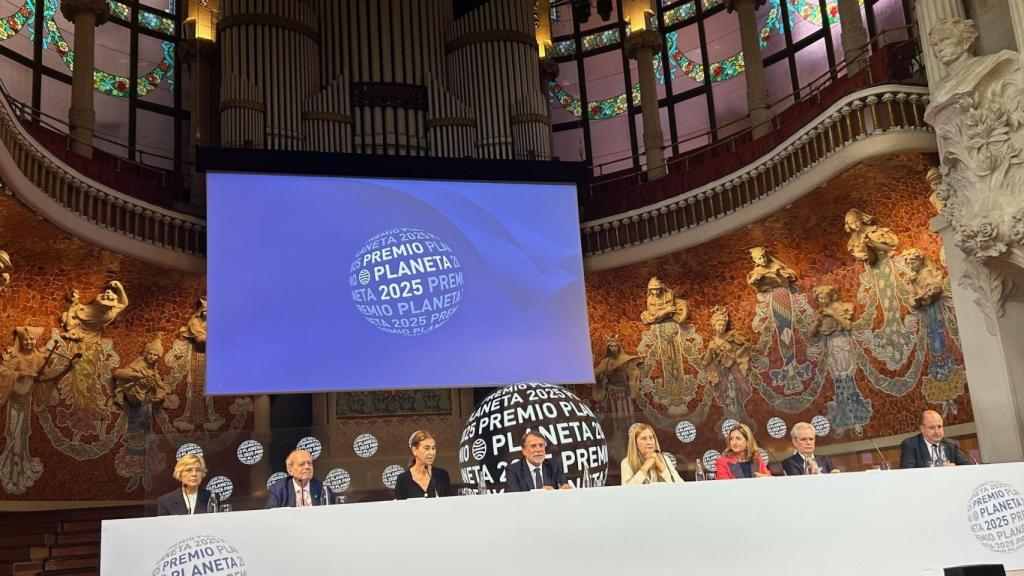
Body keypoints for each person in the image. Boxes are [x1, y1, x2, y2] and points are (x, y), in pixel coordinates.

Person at [899, 410, 972, 468]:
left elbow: (967, 467)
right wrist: (937, 469)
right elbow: (908, 472)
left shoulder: (951, 444)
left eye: (939, 427)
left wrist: (954, 468)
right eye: (932, 428)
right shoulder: (911, 445)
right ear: (922, 429)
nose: (937, 432)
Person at [264, 448, 333, 507]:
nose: (307, 467)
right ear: (290, 470)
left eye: (309, 463)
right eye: (301, 464)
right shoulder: (278, 490)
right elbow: (270, 516)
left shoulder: (323, 488)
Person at [505, 430, 570, 492]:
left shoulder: (553, 466)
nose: (539, 450)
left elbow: (564, 490)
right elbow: (514, 499)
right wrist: (543, 494)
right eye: (533, 446)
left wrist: (563, 490)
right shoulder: (513, 470)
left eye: (541, 445)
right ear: (524, 451)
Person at [394, 430, 451, 499]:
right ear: (414, 450)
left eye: (433, 448)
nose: (432, 453)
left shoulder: (442, 475)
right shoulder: (403, 480)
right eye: (427, 448)